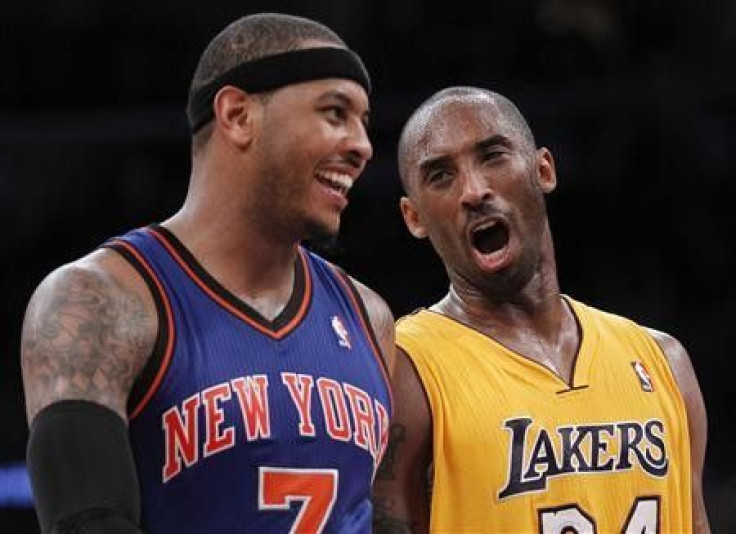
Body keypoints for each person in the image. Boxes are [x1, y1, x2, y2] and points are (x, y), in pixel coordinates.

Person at [21, 13, 395, 533]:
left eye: (363, 121)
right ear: (238, 115)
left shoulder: (369, 316)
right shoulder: (100, 299)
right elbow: (86, 521)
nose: (362, 146)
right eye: (335, 113)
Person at [372, 87, 709, 532]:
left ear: (543, 168)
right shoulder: (403, 371)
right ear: (413, 217)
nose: (474, 191)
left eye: (492, 155)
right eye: (441, 176)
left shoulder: (664, 361)